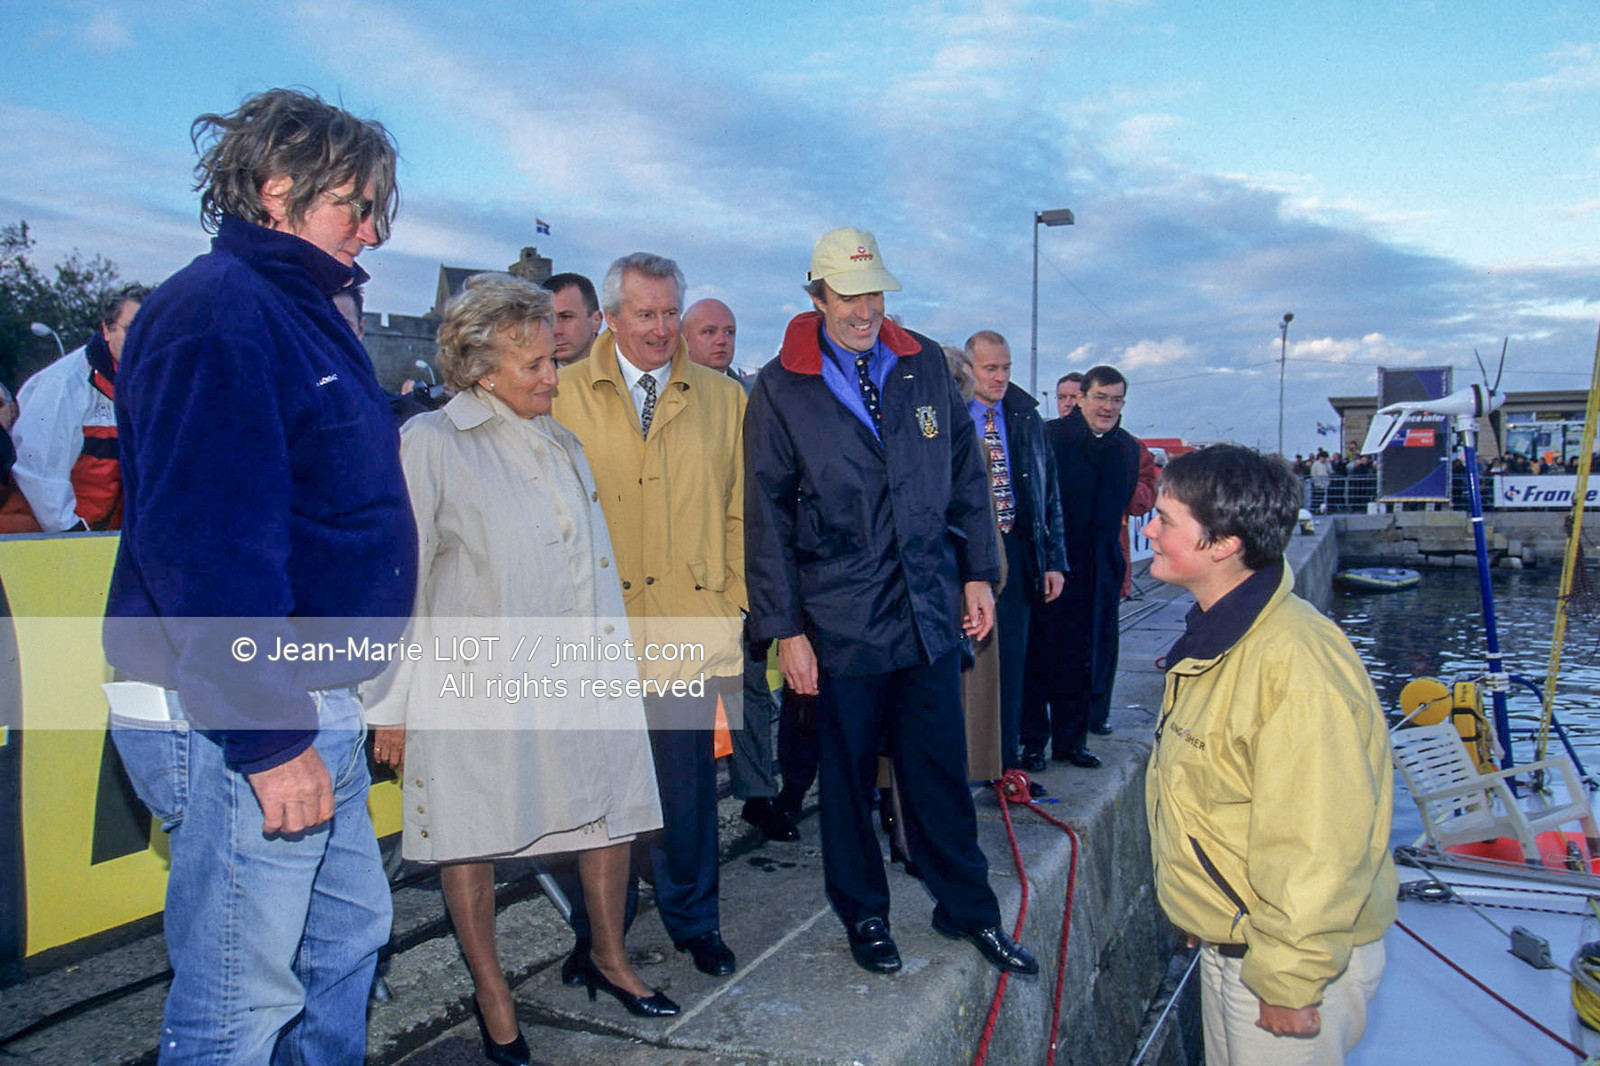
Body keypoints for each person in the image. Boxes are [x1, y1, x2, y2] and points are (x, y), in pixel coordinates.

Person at [101, 88, 416, 1064]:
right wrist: (269, 734)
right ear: (277, 190)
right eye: (355, 207)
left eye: (379, 211)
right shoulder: (218, 311)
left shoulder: (296, 307)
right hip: (235, 707)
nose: (373, 231)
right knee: (240, 994)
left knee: (344, 941)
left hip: (302, 690)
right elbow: (204, 545)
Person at [367, 275, 675, 1061]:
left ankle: (608, 957)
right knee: (468, 828)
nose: (552, 375)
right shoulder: (431, 442)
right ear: (479, 368)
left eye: (552, 359)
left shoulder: (562, 440)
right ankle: (493, 993)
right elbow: (399, 580)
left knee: (609, 806)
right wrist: (393, 706)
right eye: (533, 364)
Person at [744, 226, 1037, 977]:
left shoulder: (925, 367)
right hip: (839, 619)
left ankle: (968, 908)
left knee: (939, 769)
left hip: (928, 609)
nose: (864, 309)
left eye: (873, 292)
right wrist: (786, 631)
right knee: (844, 779)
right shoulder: (780, 387)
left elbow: (966, 478)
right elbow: (766, 516)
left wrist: (978, 570)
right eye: (847, 295)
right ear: (816, 296)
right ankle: (864, 914)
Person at [1144, 444, 1396, 1065]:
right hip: (1237, 945)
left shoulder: (1294, 667)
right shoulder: (1225, 636)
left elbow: (1320, 844)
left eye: (1165, 519)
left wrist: (1290, 980)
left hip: (1281, 965)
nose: (1147, 528)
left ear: (1223, 544)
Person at [551, 252, 746, 980]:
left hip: (687, 630)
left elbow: (741, 514)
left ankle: (696, 922)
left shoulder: (726, 400)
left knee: (687, 794)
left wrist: (730, 606)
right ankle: (596, 936)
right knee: (593, 796)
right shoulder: (563, 394)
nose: (662, 328)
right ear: (611, 317)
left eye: (670, 312)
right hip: (591, 632)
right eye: (646, 314)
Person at [682, 296, 796, 842]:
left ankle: (757, 793)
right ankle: (688, 814)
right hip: (682, 583)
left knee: (750, 689)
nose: (720, 340)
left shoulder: (751, 399)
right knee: (687, 708)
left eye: (728, 331)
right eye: (708, 331)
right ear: (685, 338)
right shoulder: (668, 401)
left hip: (743, 572)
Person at [1022, 364, 1147, 768]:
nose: (1108, 407)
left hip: (1100, 568)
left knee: (1086, 657)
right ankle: (1033, 743)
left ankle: (1071, 742)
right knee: (1041, 656)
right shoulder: (1050, 436)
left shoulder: (1127, 448)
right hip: (1055, 565)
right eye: (1100, 398)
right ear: (1082, 399)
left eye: (1116, 400)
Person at [961, 330, 1065, 780]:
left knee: (1012, 665)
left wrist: (1054, 559)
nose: (1000, 377)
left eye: (1006, 368)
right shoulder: (950, 416)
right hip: (966, 561)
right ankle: (962, 761)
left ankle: (1004, 763)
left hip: (1018, 556)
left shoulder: (1025, 417)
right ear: (970, 368)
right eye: (991, 369)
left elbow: (1049, 493)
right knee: (968, 668)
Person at [10, 282, 149, 531]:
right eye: (132, 330)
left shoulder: (151, 386)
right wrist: (71, 532)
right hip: (54, 536)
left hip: (111, 538)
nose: (143, 340)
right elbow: (39, 471)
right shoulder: (63, 383)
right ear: (107, 330)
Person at [541, 272, 604, 366]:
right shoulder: (530, 378)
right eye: (547, 320)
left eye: (566, 317)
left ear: (596, 321)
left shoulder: (627, 371)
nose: (555, 331)